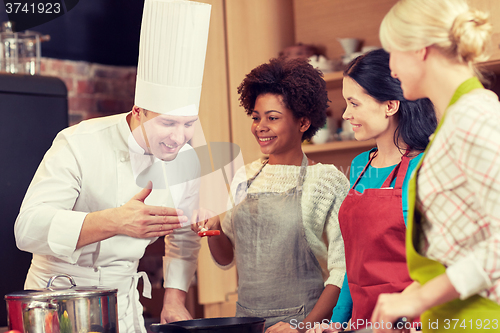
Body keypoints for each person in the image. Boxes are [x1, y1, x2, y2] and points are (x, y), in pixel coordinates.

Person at [14, 0, 212, 332]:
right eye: (168, 124)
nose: (180, 138)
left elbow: (182, 236)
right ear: (138, 112)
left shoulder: (187, 160)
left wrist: (175, 298)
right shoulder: (78, 143)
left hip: (122, 306)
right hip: (56, 302)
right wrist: (114, 221)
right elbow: (28, 229)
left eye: (189, 124)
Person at [370, 0, 500, 332]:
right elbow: (465, 245)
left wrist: (421, 298)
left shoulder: (473, 116)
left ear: (419, 49)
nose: (391, 68)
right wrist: (416, 292)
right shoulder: (455, 120)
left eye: (393, 53)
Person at [193, 57, 349, 332]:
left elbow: (341, 271)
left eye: (272, 118)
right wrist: (214, 229)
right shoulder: (245, 176)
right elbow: (227, 257)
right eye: (256, 117)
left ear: (302, 122)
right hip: (246, 322)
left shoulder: (326, 180)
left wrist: (302, 328)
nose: (259, 126)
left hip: (302, 324)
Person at [306, 49, 436, 333]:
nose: (346, 114)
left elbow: (439, 263)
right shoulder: (359, 166)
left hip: (413, 323)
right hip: (363, 323)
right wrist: (338, 324)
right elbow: (355, 263)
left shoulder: (425, 167)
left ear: (390, 105)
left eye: (354, 103)